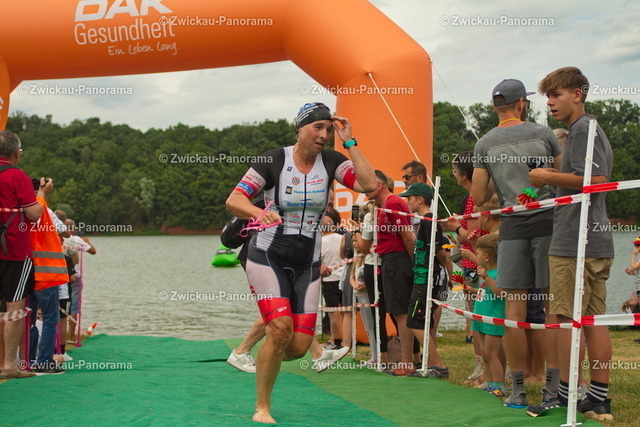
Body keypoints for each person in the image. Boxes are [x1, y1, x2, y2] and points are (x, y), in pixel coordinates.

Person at [225, 102, 376, 424]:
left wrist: (350, 141)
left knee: (296, 347)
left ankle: (253, 355)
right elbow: (234, 200)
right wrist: (259, 213)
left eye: (328, 129)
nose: (324, 135)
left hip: (308, 261)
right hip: (268, 255)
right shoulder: (273, 160)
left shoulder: (332, 161)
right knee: (280, 328)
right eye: (317, 127)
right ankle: (262, 407)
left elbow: (369, 185)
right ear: (300, 128)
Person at [527, 67, 614, 420]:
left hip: (573, 241)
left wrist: (545, 176)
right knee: (593, 319)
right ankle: (599, 398)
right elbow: (589, 177)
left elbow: (598, 179)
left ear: (578, 94)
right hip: (597, 240)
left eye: (556, 95)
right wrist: (556, 177)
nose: (550, 102)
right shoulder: (592, 128)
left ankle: (564, 396)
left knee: (562, 318)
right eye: (547, 96)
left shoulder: (580, 129)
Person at [471, 78, 562, 409]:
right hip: (548, 223)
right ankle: (553, 388)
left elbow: (478, 196)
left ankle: (518, 390)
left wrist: (501, 182)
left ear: (496, 107)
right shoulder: (543, 133)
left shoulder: (484, 143)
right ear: (522, 103)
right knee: (552, 308)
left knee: (514, 311)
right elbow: (564, 177)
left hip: (511, 229)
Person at [0, 131, 49, 379]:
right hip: (14, 252)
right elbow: (34, 214)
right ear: (16, 153)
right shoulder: (16, 176)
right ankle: (10, 365)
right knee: (14, 308)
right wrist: (41, 194)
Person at [397, 183, 451, 379]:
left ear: (420, 199)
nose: (407, 202)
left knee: (414, 321)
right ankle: (431, 364)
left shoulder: (429, 221)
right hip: (422, 276)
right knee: (422, 321)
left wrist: (445, 275)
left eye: (409, 198)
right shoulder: (425, 221)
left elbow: (440, 252)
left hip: (427, 278)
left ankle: (438, 365)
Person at [364, 170, 415, 376]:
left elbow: (408, 237)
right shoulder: (383, 206)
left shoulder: (393, 203)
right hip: (390, 260)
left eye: (366, 184)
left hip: (397, 259)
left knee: (401, 312)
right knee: (397, 311)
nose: (363, 189)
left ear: (379, 185)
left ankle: (407, 362)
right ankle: (408, 360)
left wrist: (413, 264)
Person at [451, 151, 484, 383]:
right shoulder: (473, 198)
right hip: (472, 263)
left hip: (474, 263)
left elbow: (472, 236)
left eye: (455, 171)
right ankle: (482, 366)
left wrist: (455, 226)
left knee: (477, 318)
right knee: (475, 317)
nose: (453, 174)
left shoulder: (474, 198)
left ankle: (483, 368)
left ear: (464, 174)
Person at [320, 209, 345, 349]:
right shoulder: (343, 238)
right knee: (346, 312)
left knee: (333, 313)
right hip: (344, 278)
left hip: (330, 280)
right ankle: (342, 341)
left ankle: (336, 342)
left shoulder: (320, 242)